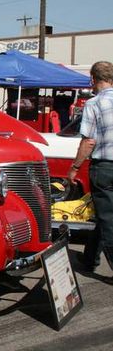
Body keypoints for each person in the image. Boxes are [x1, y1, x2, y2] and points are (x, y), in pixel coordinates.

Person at [68, 61, 113, 279]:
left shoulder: (94, 103)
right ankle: (89, 259)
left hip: (104, 166)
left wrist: (75, 167)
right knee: (103, 216)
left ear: (93, 79)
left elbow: (88, 141)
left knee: (107, 218)